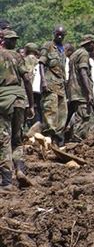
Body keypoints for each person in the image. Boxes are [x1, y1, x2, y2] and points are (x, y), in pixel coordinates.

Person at [0, 30, 35, 191]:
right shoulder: (18, 57)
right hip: (20, 99)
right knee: (17, 139)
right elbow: (27, 79)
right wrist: (31, 104)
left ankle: (7, 181)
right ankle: (20, 170)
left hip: (3, 100)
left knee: (4, 141)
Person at [39, 25, 68, 146]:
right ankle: (48, 140)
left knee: (62, 113)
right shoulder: (48, 46)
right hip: (50, 84)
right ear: (54, 34)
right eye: (57, 34)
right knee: (50, 112)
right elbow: (41, 63)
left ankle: (58, 140)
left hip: (61, 85)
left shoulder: (63, 50)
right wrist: (43, 81)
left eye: (62, 34)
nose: (59, 36)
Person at [67, 35, 94, 141]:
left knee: (81, 117)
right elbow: (83, 72)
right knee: (84, 119)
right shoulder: (84, 54)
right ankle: (77, 142)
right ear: (90, 44)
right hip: (81, 93)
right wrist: (88, 92)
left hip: (74, 92)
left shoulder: (75, 54)